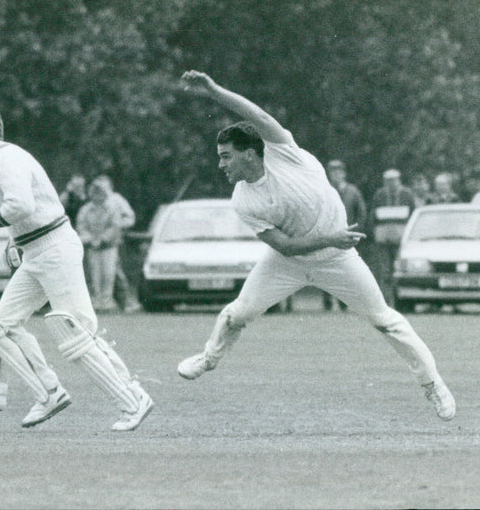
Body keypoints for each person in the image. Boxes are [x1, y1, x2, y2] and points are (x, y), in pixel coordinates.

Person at [176, 70, 455, 421]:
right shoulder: (242, 201)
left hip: (337, 258)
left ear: (249, 154)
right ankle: (208, 359)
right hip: (287, 261)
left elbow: (257, 117)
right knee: (238, 314)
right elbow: (288, 247)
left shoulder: (284, 152)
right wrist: (330, 237)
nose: (221, 164)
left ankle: (433, 385)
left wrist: (213, 90)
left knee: (386, 321)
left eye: (226, 156)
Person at [0, 100, 152, 431]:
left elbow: (22, 204)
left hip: (56, 249)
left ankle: (132, 400)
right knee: (0, 326)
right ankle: (49, 392)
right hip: (36, 253)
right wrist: (14, 242)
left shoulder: (4, 157)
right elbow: (27, 209)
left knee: (77, 333)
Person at [322, 159, 367, 311]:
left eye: (339, 172)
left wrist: (356, 233)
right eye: (333, 172)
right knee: (325, 270)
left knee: (346, 270)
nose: (336, 175)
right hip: (328, 236)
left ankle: (344, 302)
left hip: (348, 235)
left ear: (344, 173)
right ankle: (327, 302)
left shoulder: (352, 191)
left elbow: (361, 213)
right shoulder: (324, 189)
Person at [94, 174, 143, 313]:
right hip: (99, 241)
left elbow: (130, 217)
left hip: (115, 241)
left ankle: (126, 302)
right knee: (102, 274)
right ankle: (105, 302)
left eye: (102, 184)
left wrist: (118, 226)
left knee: (116, 272)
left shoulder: (117, 200)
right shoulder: (94, 200)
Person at [76, 177, 124, 312]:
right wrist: (91, 239)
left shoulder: (112, 208)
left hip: (109, 247)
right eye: (95, 193)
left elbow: (115, 226)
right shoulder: (85, 209)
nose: (98, 196)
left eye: (100, 193)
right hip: (92, 247)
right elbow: (81, 226)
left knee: (108, 274)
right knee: (95, 275)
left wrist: (103, 239)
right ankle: (96, 301)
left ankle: (107, 300)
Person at [369, 169, 416, 305]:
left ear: (399, 180)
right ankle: (385, 301)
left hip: (402, 241)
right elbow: (373, 216)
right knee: (384, 272)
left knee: (400, 271)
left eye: (394, 180)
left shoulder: (407, 194)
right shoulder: (380, 195)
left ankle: (400, 300)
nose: (391, 183)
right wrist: (374, 234)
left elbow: (412, 215)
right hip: (383, 240)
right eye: (388, 181)